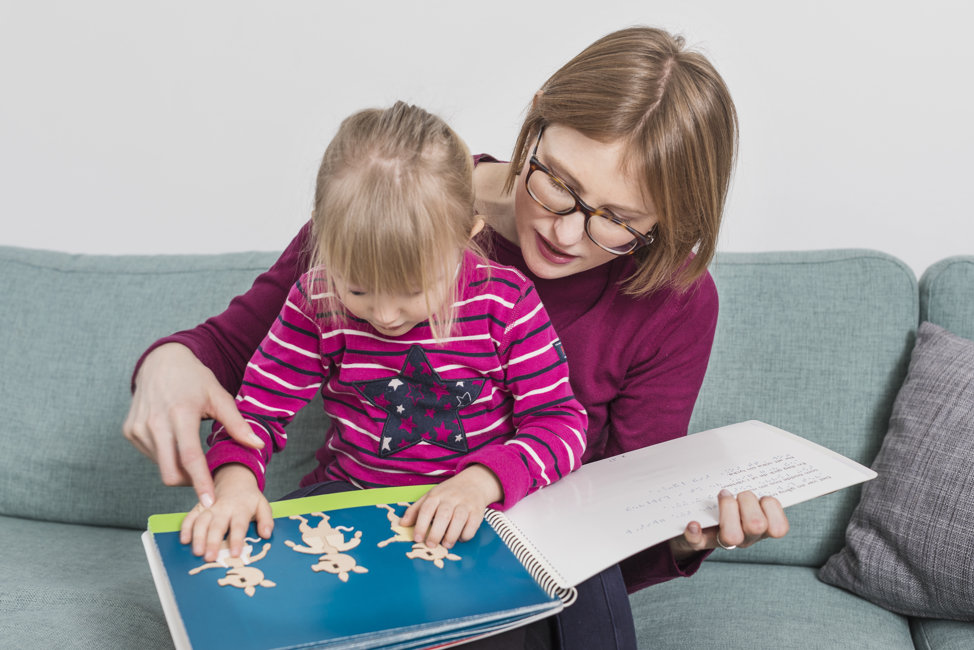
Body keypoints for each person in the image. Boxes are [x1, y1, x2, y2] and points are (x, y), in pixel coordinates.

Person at [125, 26, 789, 649]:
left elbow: (606, 495)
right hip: (367, 512)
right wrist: (172, 371)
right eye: (557, 181)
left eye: (618, 220)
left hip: (522, 538)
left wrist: (681, 540)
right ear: (534, 125)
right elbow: (244, 363)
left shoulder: (590, 302)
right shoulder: (390, 207)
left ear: (666, 224)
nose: (564, 234)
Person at [179, 101, 588, 564]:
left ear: (467, 235)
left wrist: (481, 483)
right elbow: (257, 411)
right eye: (358, 288)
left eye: (413, 289)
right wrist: (235, 484)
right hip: (354, 496)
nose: (386, 315)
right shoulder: (316, 299)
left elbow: (561, 424)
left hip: (479, 513)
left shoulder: (505, 303)